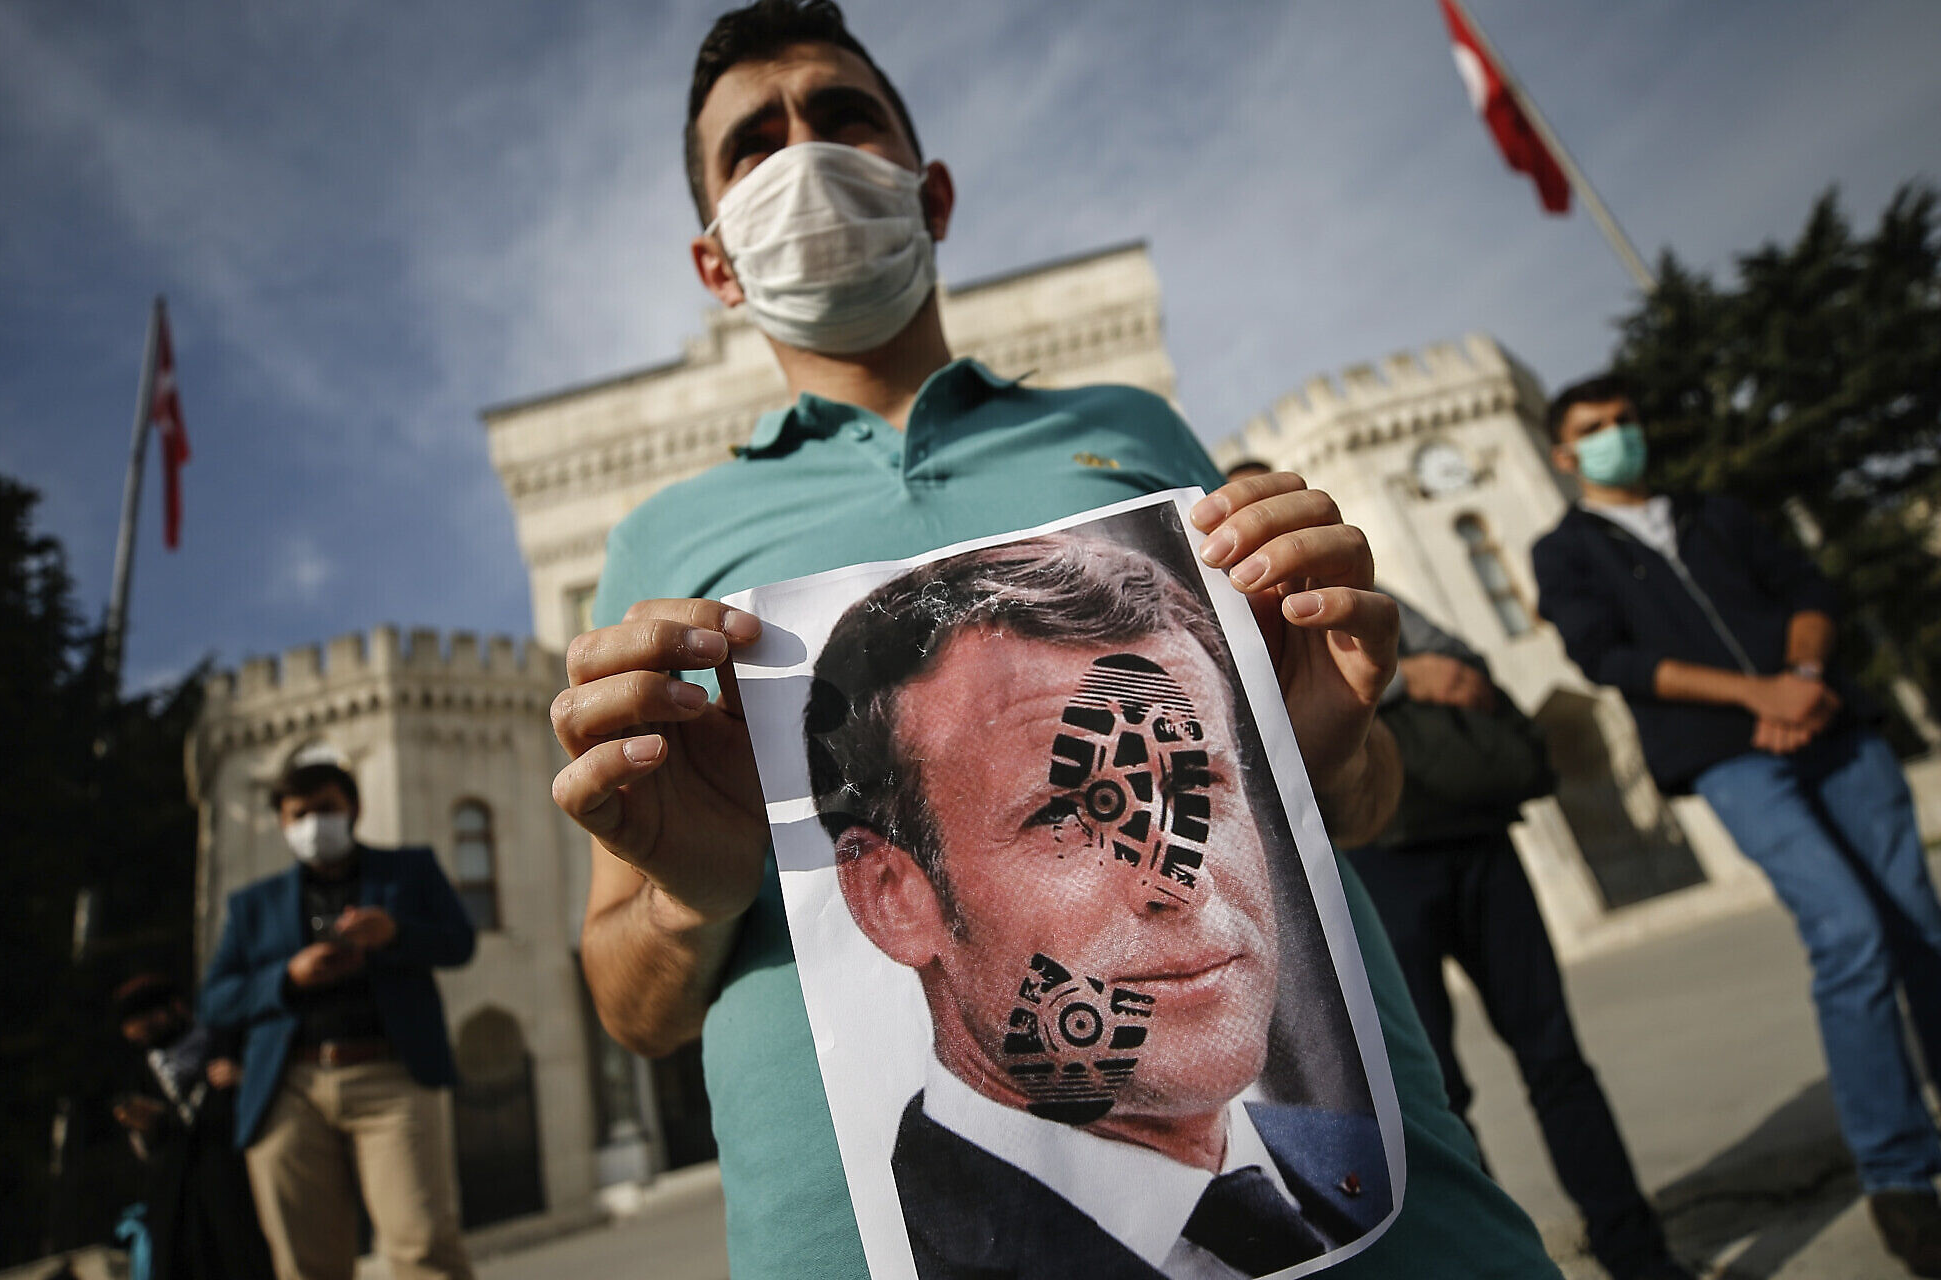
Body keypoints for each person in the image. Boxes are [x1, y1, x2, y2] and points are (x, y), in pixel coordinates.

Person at [553, 2, 1559, 1276]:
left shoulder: (1128, 429)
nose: (803, 152)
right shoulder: (661, 547)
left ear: (931, 191)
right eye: (753, 141)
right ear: (715, 263)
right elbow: (628, 1004)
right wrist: (691, 893)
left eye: (841, 113)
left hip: (1386, 1215)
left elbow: (1347, 806)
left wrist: (1322, 741)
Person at [810, 533, 1392, 1278]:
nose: (1180, 878)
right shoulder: (892, 1253)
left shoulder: (1354, 1160)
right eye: (1069, 816)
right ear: (893, 899)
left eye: (1198, 788)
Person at [1532, 373, 1941, 1278]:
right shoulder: (1567, 551)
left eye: (1625, 421)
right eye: (1594, 430)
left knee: (1920, 924)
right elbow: (1610, 657)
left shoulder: (1713, 512)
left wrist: (1799, 674)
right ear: (1562, 455)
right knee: (1849, 931)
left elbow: (1807, 589)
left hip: (1832, 723)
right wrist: (1755, 695)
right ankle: (1901, 1173)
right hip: (1730, 752)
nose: (1616, 438)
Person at [1340, 600, 1690, 1280]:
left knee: (1555, 1055)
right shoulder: (1240, 589)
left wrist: (1428, 669)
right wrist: (1407, 679)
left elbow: (1464, 664)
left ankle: (1639, 1256)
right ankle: (1494, 1266)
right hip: (1377, 855)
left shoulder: (1364, 584)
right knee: (1435, 1089)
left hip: (1475, 833)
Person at [199, 760, 478, 1280]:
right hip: (290, 1088)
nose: (313, 823)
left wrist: (394, 933)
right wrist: (286, 977)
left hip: (390, 1075)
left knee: (423, 1243)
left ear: (353, 807)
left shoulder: (408, 871)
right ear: (283, 824)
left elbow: (460, 942)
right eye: (299, 813)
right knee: (305, 1264)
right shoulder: (252, 907)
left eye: (325, 808)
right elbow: (214, 1001)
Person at [110, 974, 273, 1280]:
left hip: (238, 1182)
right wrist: (147, 1127)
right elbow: (147, 1151)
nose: (140, 1031)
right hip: (180, 1202)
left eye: (147, 1017)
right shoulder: (142, 1072)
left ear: (175, 1008)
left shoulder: (224, 1042)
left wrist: (244, 1079)